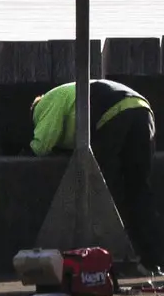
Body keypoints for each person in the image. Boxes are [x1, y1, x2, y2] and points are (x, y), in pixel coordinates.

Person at [31, 77, 156, 241]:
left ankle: (105, 249)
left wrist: (28, 146)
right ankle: (153, 257)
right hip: (142, 109)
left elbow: (42, 145)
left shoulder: (47, 102)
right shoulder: (68, 93)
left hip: (112, 113)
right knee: (139, 188)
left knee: (100, 186)